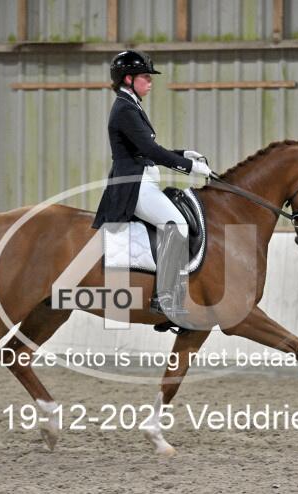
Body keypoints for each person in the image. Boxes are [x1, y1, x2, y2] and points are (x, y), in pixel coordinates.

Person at [92, 50, 213, 318]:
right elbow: (150, 150)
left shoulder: (131, 104)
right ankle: (165, 296)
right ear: (128, 78)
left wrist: (182, 154)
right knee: (176, 224)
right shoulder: (125, 109)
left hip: (142, 180)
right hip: (134, 185)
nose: (150, 82)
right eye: (145, 77)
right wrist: (190, 167)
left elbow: (145, 149)